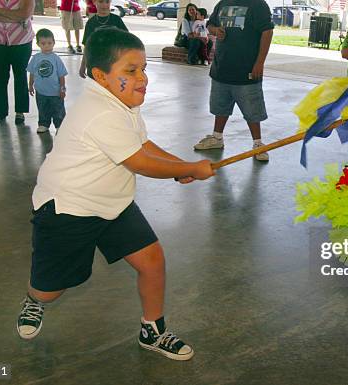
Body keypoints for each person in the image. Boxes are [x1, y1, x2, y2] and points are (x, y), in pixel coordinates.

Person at [15, 28, 215, 361]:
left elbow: (143, 144)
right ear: (100, 76)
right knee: (51, 289)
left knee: (152, 262)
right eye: (131, 71)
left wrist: (183, 166)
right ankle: (35, 300)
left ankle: (153, 330)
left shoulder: (122, 102)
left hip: (112, 203)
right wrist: (192, 170)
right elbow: (138, 161)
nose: (143, 78)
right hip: (68, 208)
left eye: (144, 69)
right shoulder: (100, 111)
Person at [193, 0, 274, 161]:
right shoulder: (223, 3)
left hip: (247, 69)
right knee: (220, 106)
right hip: (221, 67)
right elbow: (210, 25)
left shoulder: (258, 5)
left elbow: (267, 32)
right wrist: (216, 30)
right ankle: (217, 138)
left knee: (252, 109)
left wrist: (260, 62)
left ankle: (258, 144)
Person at [0, 0, 34, 125]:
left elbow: (24, 14)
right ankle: (0, 112)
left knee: (20, 77)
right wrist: (13, 16)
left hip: (21, 41)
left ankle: (20, 112)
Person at [27, 29, 68, 134]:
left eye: (49, 43)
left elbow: (61, 75)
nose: (47, 46)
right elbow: (32, 72)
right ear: (38, 44)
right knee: (42, 109)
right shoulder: (36, 58)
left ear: (54, 43)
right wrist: (30, 85)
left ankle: (60, 125)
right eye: (43, 43)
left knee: (58, 110)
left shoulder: (56, 59)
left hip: (55, 92)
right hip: (41, 91)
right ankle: (43, 124)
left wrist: (62, 89)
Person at [78, 0, 128, 78]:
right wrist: (83, 65)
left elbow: (128, 42)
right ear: (94, 2)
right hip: (95, 65)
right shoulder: (91, 22)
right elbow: (87, 46)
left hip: (114, 64)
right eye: (101, 2)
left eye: (107, 2)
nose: (104, 5)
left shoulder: (116, 20)